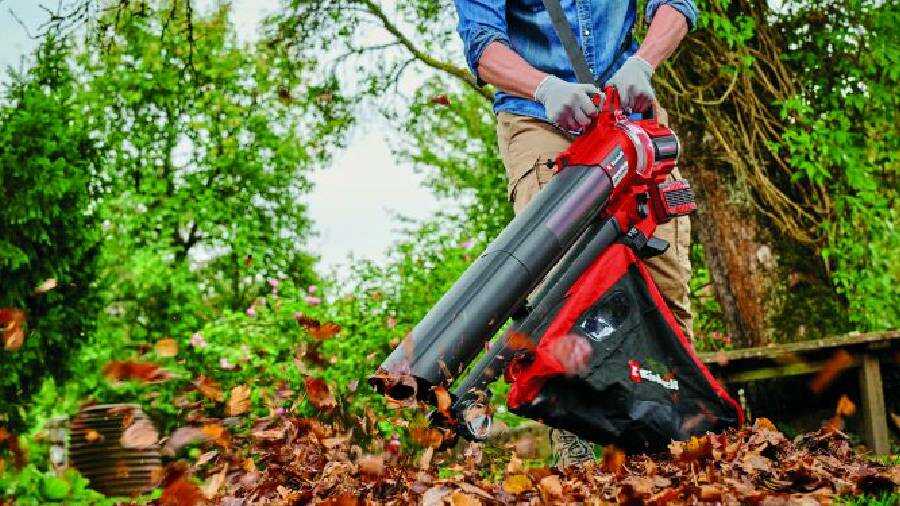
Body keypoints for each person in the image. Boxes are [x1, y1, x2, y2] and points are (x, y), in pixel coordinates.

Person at [452, 0, 698, 467]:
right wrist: (544, 87)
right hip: (540, 116)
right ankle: (578, 449)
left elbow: (677, 4)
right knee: (561, 278)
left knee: (664, 275)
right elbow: (483, 44)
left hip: (627, 106)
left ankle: (675, 436)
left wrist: (642, 62)